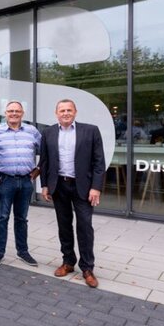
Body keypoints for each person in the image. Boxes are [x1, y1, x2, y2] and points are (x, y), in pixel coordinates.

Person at [39, 99, 106, 288]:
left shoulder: (90, 131)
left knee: (85, 226)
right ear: (56, 113)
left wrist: (96, 187)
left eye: (69, 110)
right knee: (64, 225)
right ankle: (68, 261)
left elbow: (98, 162)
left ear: (75, 112)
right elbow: (44, 161)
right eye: (62, 110)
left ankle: (87, 268)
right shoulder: (48, 132)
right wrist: (44, 185)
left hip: (83, 187)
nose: (65, 113)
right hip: (59, 185)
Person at [0, 101, 41, 267]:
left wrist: (38, 169)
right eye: (10, 111)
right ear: (5, 113)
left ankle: (23, 251)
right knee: (2, 216)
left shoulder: (32, 131)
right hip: (5, 181)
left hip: (26, 181)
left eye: (17, 111)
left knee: (22, 218)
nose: (14, 113)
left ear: (22, 113)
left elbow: (46, 152)